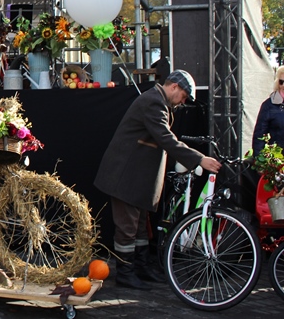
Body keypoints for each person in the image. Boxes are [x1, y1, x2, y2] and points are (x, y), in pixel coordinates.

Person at [94, 70, 222, 290]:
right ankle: (125, 273)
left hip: (135, 177)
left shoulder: (158, 101)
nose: (182, 102)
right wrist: (199, 159)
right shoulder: (153, 102)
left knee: (140, 228)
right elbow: (165, 138)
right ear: (174, 87)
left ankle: (141, 267)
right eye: (183, 96)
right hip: (126, 176)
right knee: (127, 227)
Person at [251, 65, 284, 157]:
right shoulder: (268, 105)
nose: (283, 85)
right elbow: (259, 136)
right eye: (281, 82)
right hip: (277, 160)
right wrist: (259, 159)